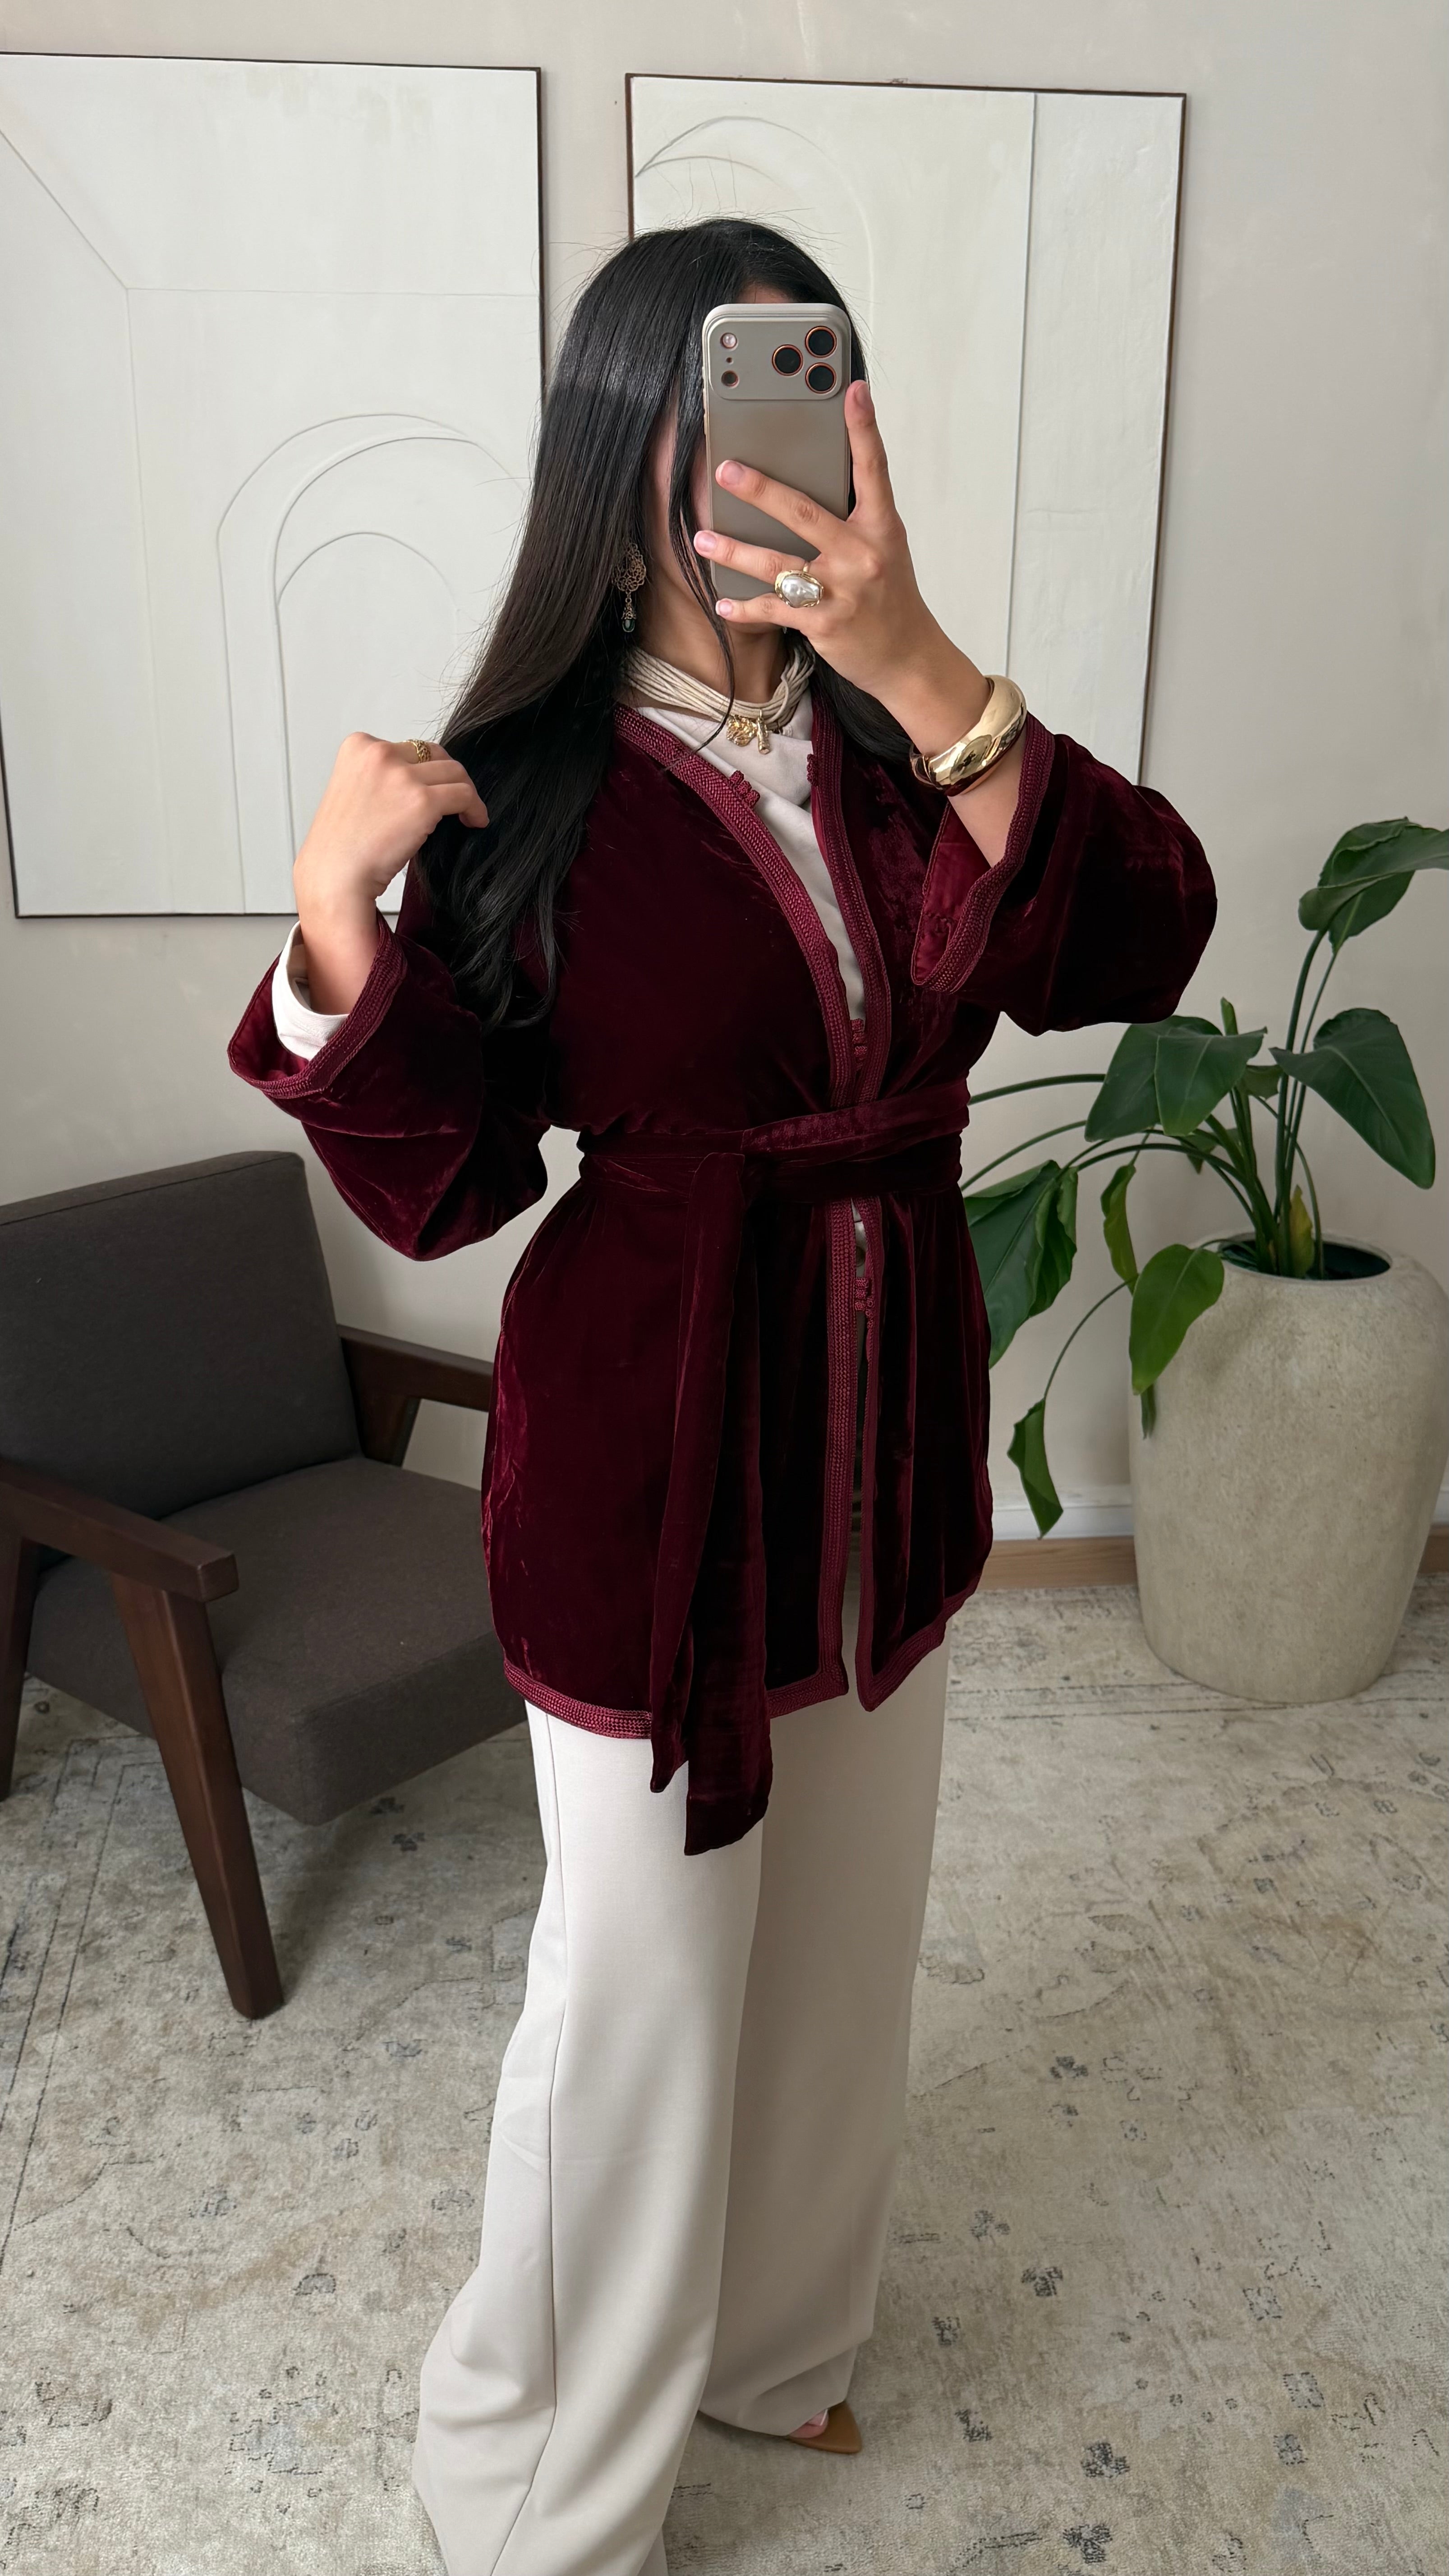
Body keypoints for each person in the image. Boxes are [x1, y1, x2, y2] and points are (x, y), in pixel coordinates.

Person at [229, 217, 1214, 2576]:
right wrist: (336, 926)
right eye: (732, 409)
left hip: (884, 1455)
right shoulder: (522, 790)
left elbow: (1141, 935)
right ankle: (533, 2495)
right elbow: (450, 1187)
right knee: (639, 2012)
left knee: (845, 1958)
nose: (788, 455)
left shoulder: (905, 744)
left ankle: (776, 2357)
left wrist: (923, 660)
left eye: (820, 395)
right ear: (628, 461)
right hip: (654, 1476)